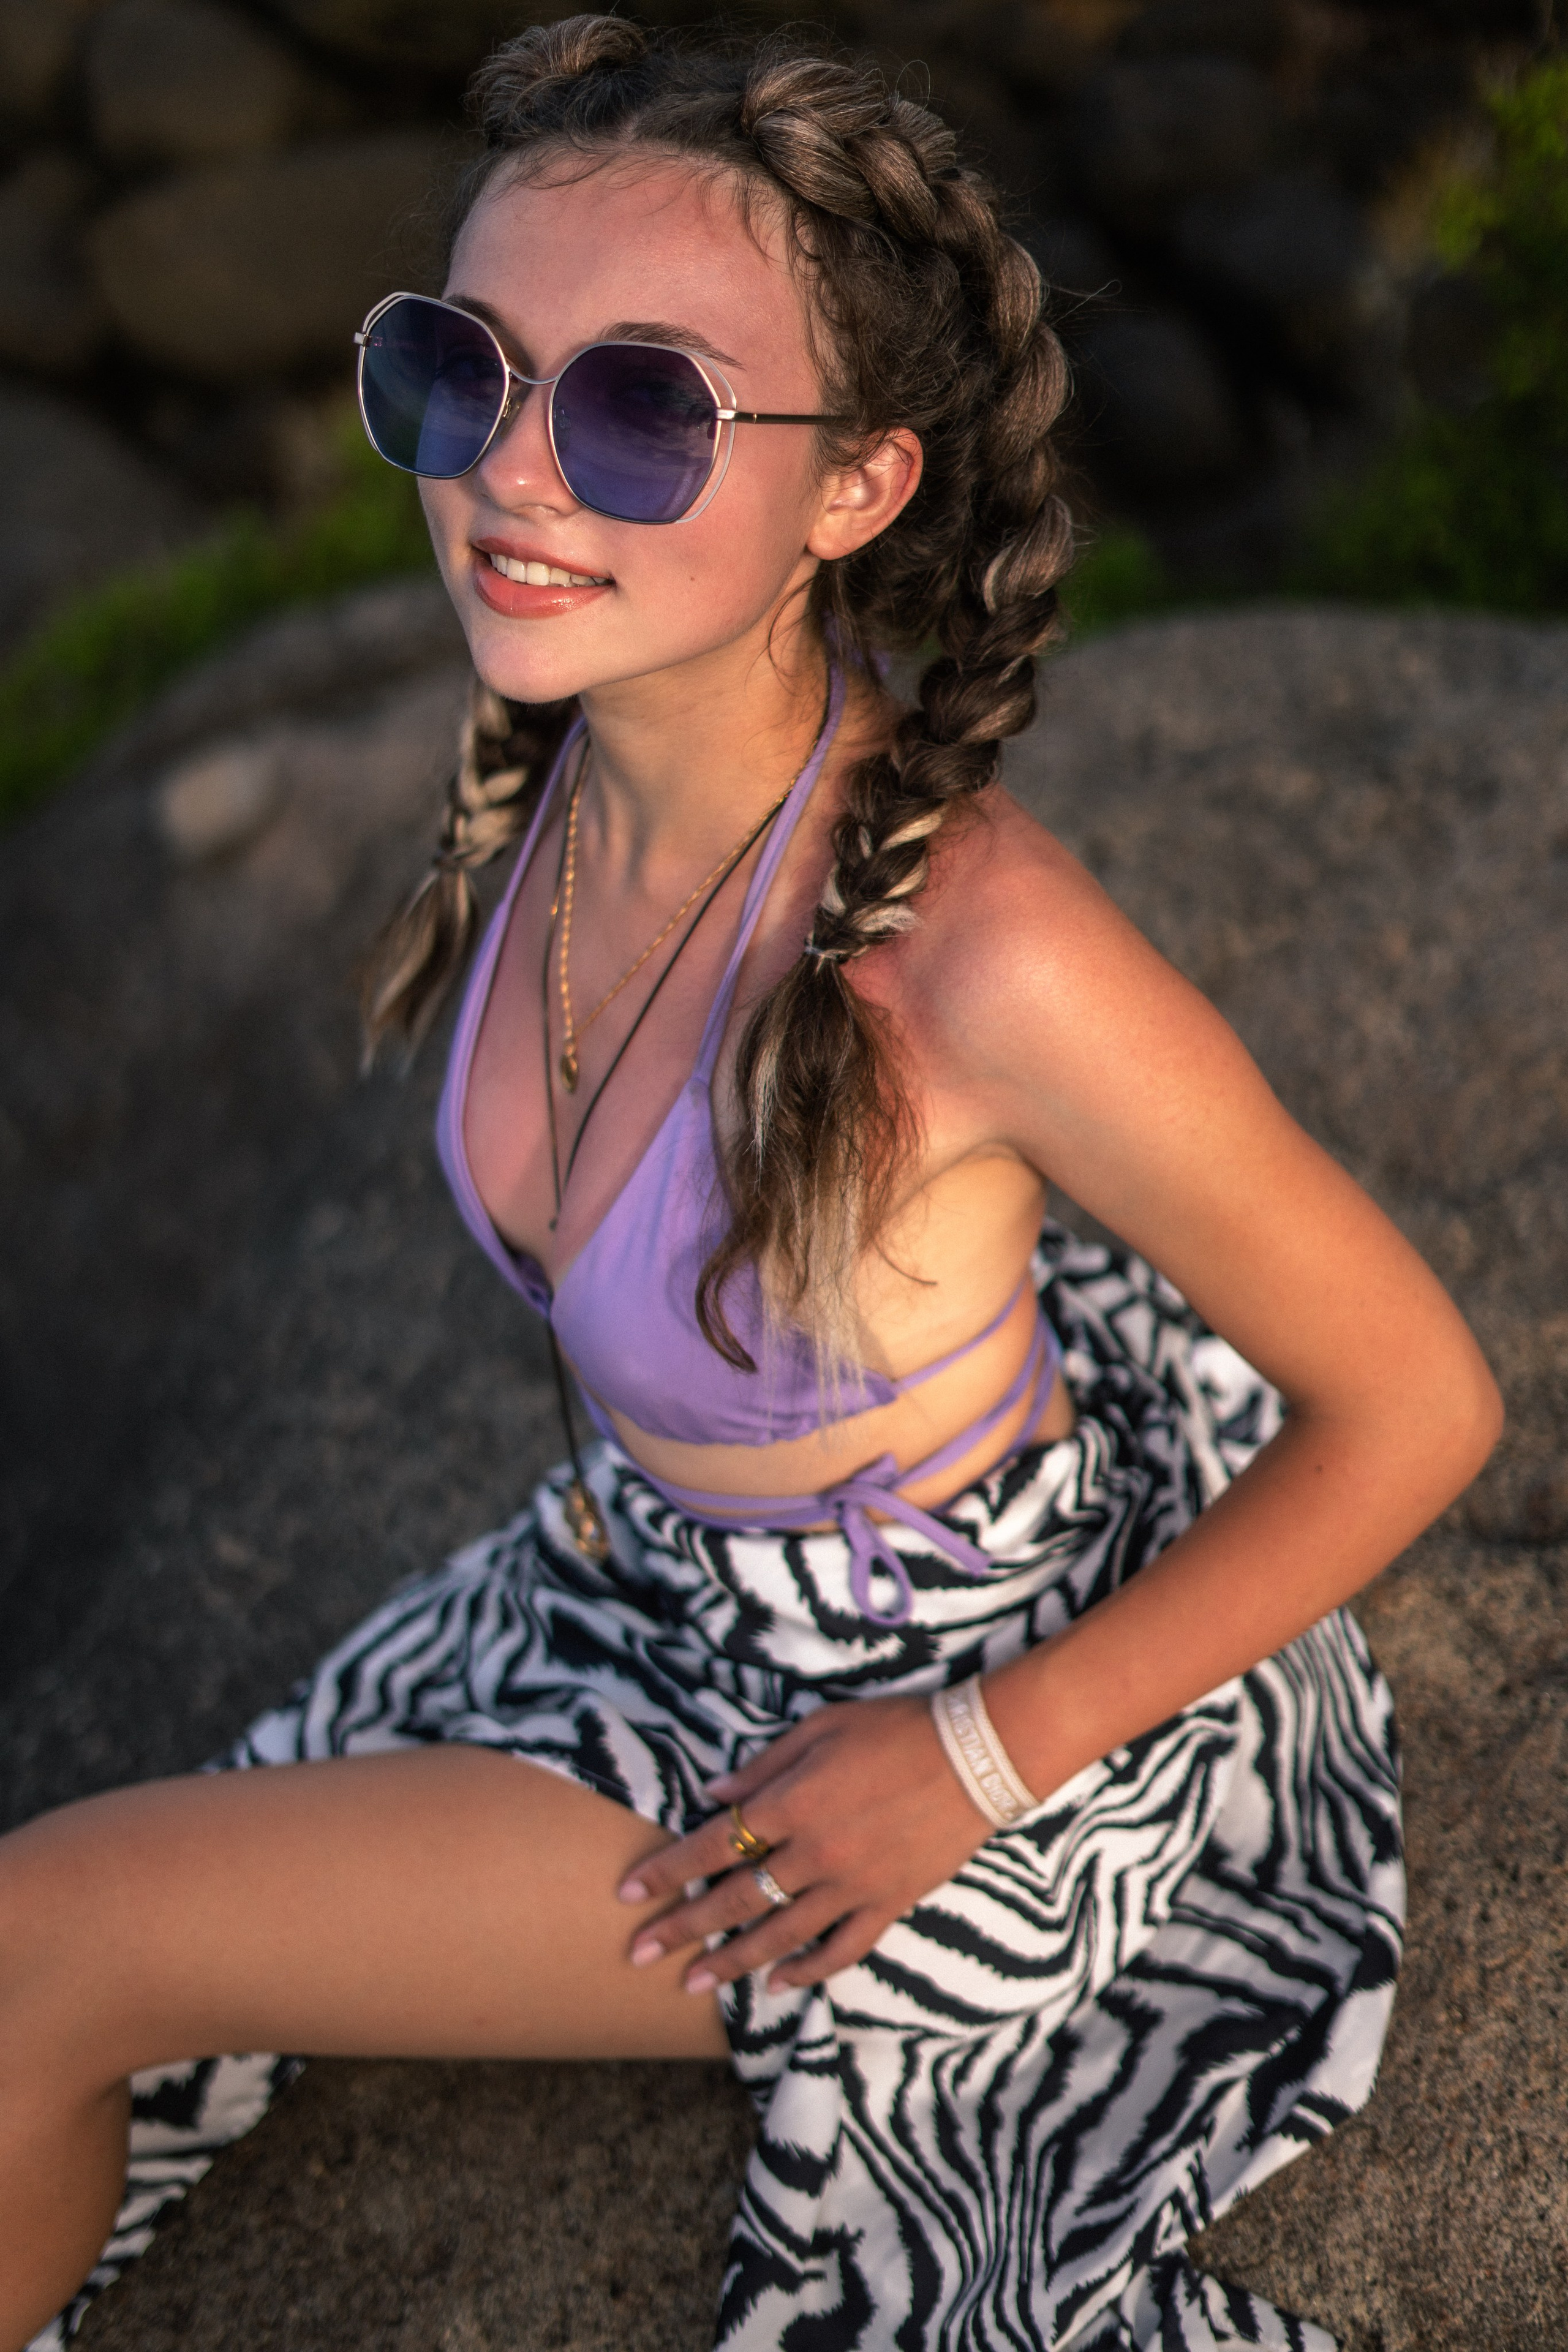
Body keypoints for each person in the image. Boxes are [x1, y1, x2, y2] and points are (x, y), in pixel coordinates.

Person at [5, 18, 1501, 2352]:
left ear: (855, 487)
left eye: (642, 411)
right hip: (644, 1599)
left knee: (43, 1949)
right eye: (459, 369)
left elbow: (1423, 1400)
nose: (515, 472)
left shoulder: (983, 962)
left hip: (876, 1734)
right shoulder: (556, 752)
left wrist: (962, 1766)